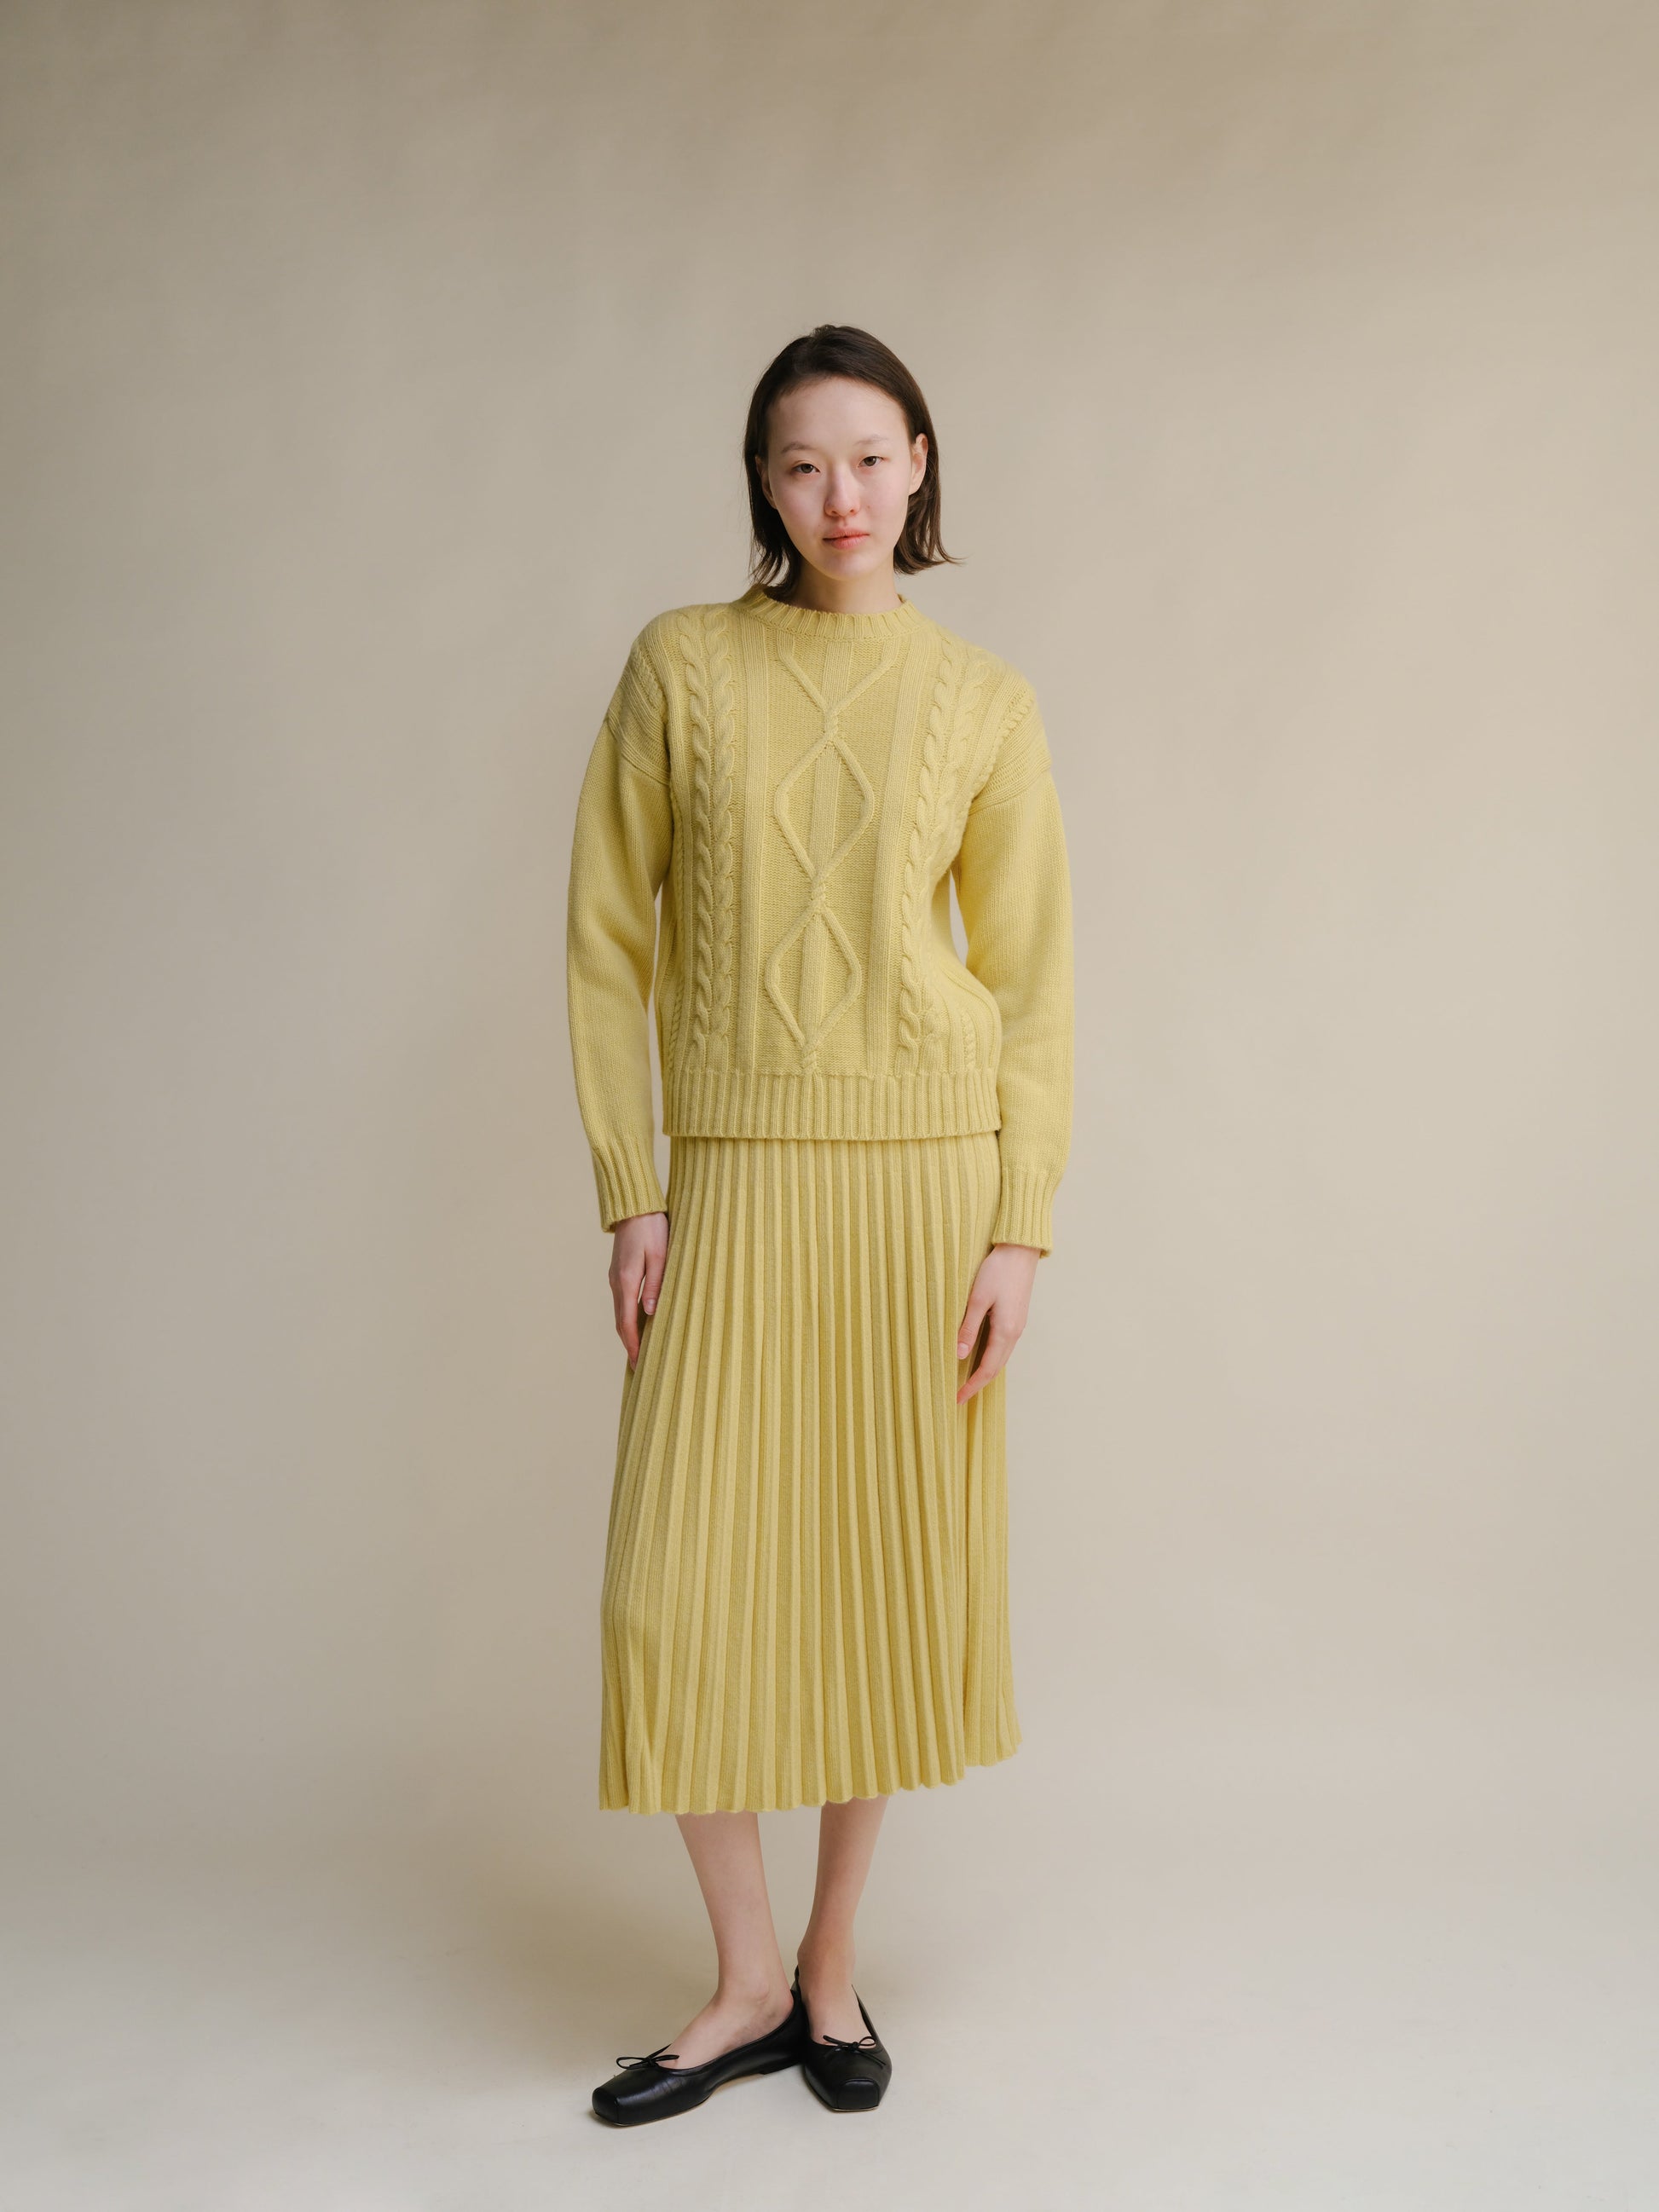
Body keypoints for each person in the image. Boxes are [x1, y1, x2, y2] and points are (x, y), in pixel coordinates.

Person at [565, 324, 1074, 2124]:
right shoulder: (682, 665)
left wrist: (1016, 1227)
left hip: (923, 1186)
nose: (838, 494)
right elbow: (605, 941)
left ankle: (830, 1972)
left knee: (878, 1583)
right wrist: (631, 1186)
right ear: (761, 485)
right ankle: (742, 1981)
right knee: (675, 1593)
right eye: (800, 462)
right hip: (734, 1178)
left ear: (919, 462)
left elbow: (1032, 984)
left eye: (869, 456)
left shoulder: (983, 699)